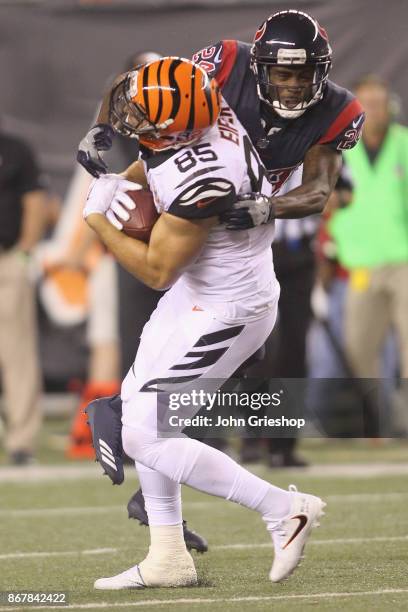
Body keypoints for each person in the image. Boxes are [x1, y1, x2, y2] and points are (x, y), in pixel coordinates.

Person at [77, 8, 364, 544]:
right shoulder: (224, 64)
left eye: (305, 74)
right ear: (258, 67)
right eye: (282, 73)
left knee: (171, 398)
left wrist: (268, 207)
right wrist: (103, 127)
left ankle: (169, 453)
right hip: (198, 196)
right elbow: (146, 87)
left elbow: (321, 190)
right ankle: (163, 522)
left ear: (322, 72)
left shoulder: (338, 110)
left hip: (228, 225)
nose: (295, 85)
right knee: (159, 385)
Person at [330, 74, 408, 433]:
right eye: (367, 106)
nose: (374, 112)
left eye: (379, 104)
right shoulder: (339, 150)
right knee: (358, 350)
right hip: (358, 263)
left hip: (402, 260)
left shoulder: (403, 144)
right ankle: (386, 422)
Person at [0, 128, 48, 464]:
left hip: (6, 260)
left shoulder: (14, 149)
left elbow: (35, 199)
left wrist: (25, 251)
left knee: (16, 354)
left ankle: (21, 441)